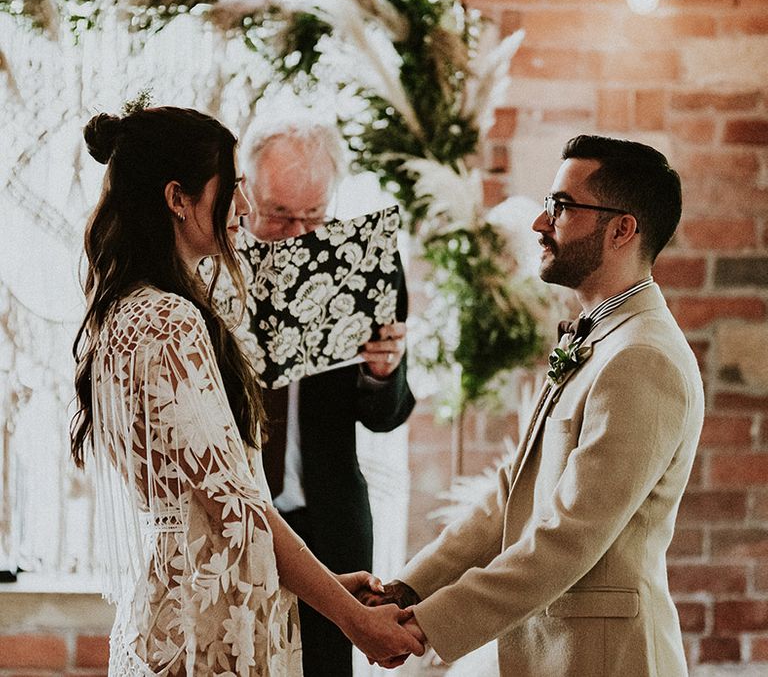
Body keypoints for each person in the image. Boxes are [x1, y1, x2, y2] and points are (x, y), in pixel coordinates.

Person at [70, 105, 424, 675]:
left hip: (206, 580)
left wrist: (325, 587)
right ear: (178, 198)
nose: (242, 209)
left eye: (313, 214)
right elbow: (237, 504)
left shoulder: (126, 308)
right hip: (212, 612)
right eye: (235, 190)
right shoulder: (171, 320)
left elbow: (216, 501)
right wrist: (351, 617)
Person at [366, 135, 705, 675]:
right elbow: (512, 491)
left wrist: (429, 623)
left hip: (605, 660)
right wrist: (407, 587)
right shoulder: (600, 339)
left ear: (623, 229)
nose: (540, 223)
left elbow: (569, 536)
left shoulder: (642, 358)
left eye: (562, 207)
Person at [239, 124, 415, 677]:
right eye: (279, 215)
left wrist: (382, 373)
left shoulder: (363, 266)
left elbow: (386, 417)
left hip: (329, 524)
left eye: (313, 216)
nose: (296, 233)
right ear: (246, 193)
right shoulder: (213, 265)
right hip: (237, 521)